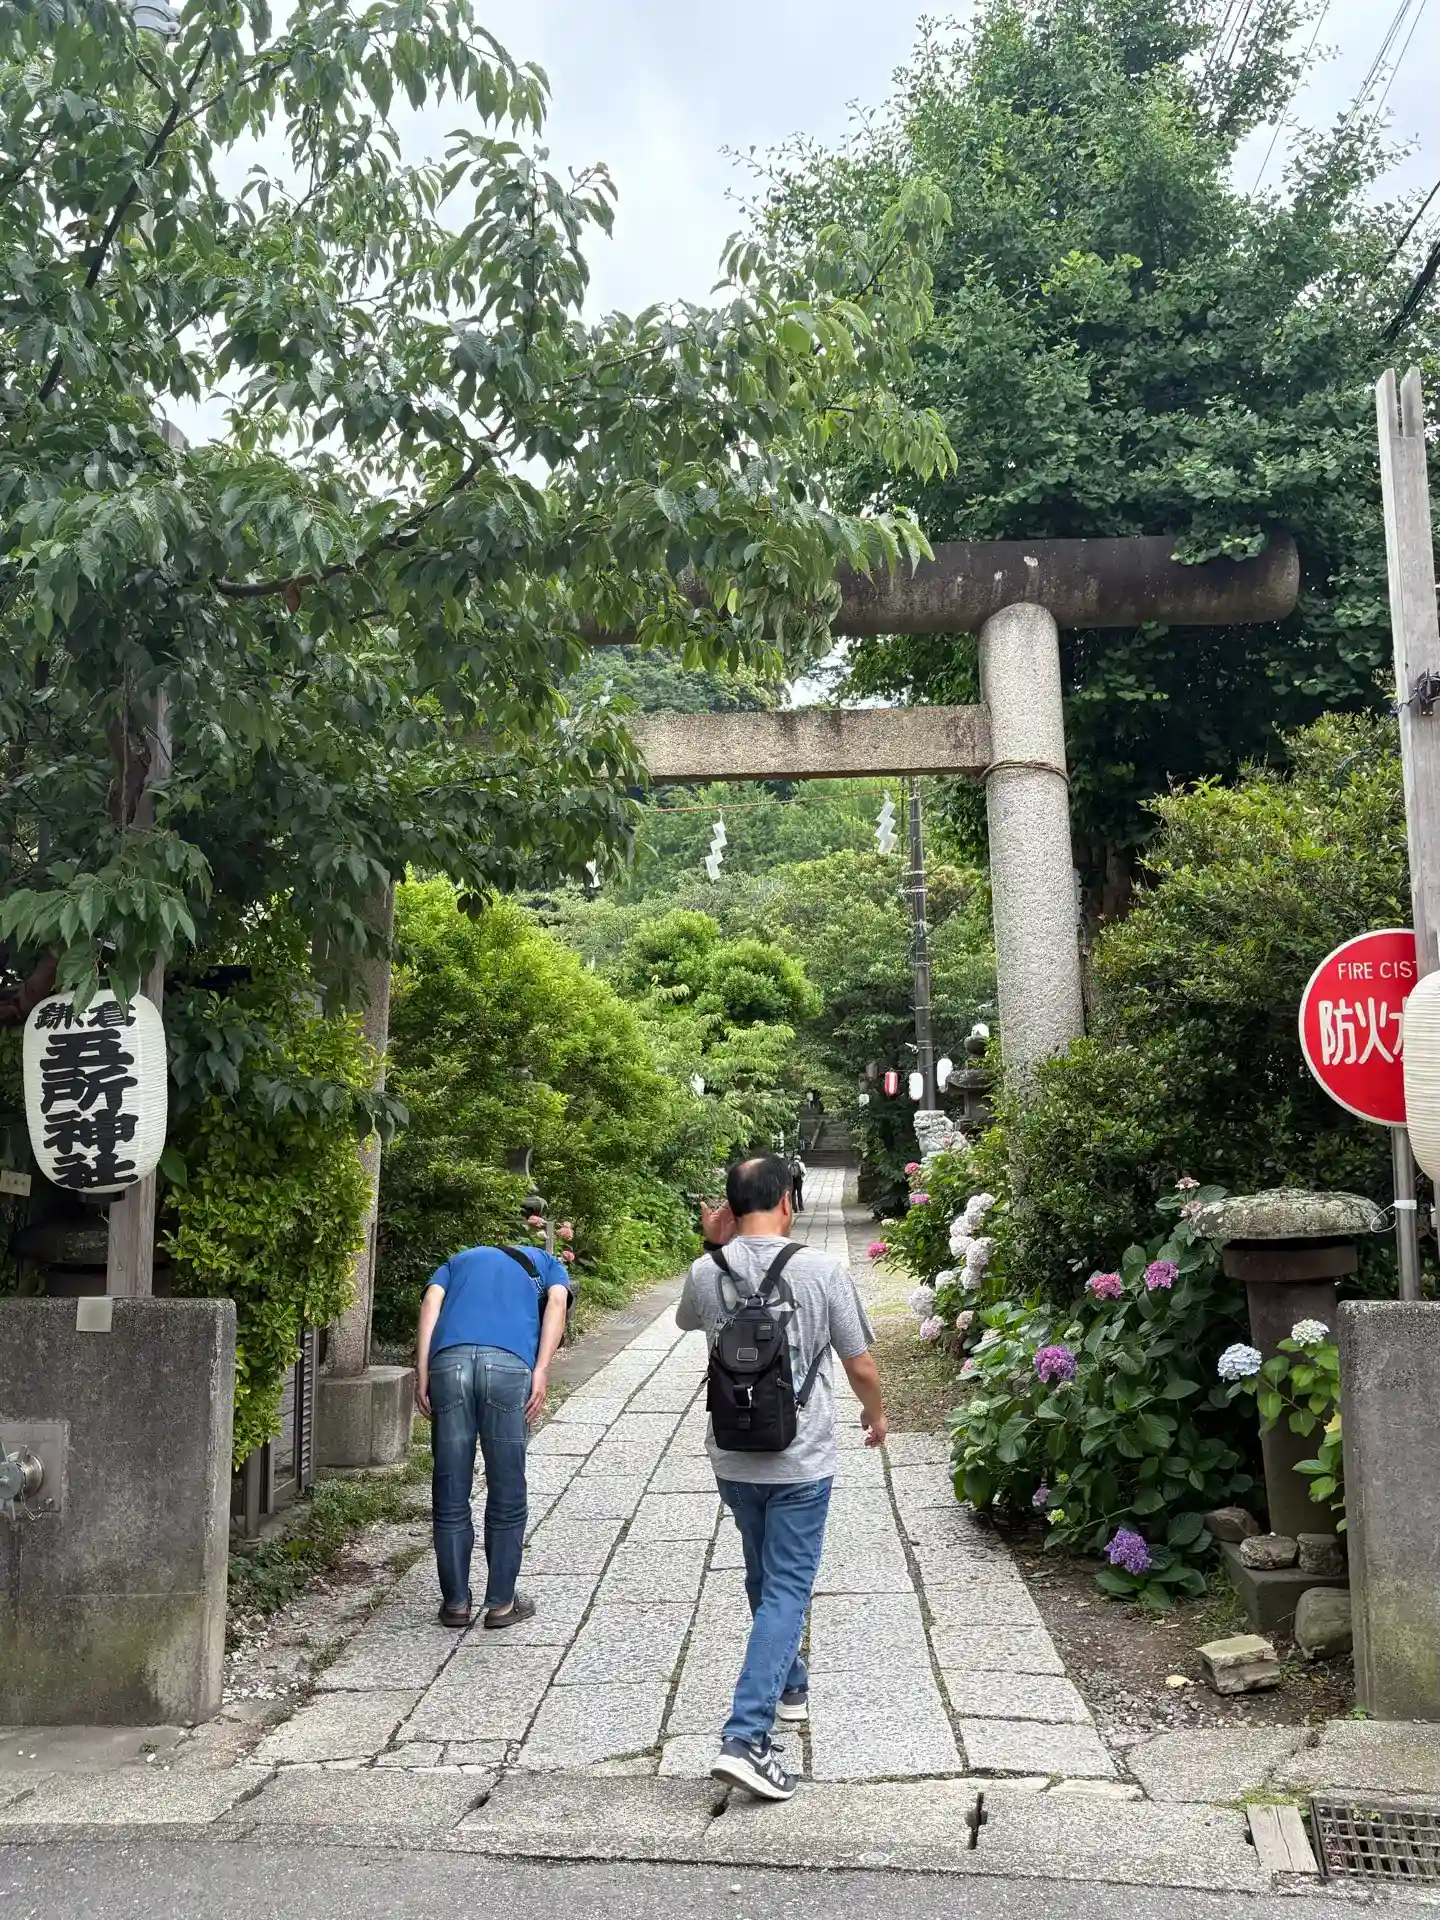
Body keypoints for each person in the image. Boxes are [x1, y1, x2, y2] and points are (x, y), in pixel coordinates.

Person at [679, 1154, 888, 1802]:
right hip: (800, 1456)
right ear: (787, 1201)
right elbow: (859, 1363)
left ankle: (790, 1683)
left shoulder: (705, 1271)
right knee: (787, 1587)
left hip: (732, 1456)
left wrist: (716, 1245)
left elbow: (688, 1320)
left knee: (761, 1574)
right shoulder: (822, 1270)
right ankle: (746, 1736)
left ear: (730, 1205)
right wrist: (875, 1414)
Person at [415, 1237, 572, 1629]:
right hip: (508, 1368)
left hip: (449, 1365)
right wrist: (541, 1369)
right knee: (506, 1487)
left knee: (450, 1487)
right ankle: (501, 1603)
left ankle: (455, 1604)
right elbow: (557, 1303)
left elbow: (431, 1302)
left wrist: (423, 1371)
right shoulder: (549, 1262)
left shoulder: (458, 1259)